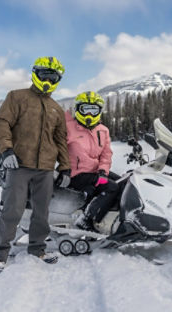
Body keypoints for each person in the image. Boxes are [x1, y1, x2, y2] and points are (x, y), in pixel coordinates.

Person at [0, 56, 71, 274]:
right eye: (44, 74)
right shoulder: (17, 97)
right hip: (18, 165)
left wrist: (65, 166)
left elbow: (60, 140)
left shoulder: (56, 108)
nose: (47, 79)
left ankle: (37, 248)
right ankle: (0, 254)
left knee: (41, 212)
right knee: (12, 211)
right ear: (35, 73)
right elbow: (1, 122)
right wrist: (6, 150)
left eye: (52, 76)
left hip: (45, 168)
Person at [65, 91, 120, 232]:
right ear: (78, 110)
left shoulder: (103, 130)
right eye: (85, 110)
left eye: (93, 110)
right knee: (112, 187)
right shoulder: (69, 128)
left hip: (95, 171)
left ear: (99, 112)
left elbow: (106, 154)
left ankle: (113, 220)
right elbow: (55, 148)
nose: (89, 115)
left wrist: (103, 171)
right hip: (76, 173)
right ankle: (86, 219)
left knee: (123, 182)